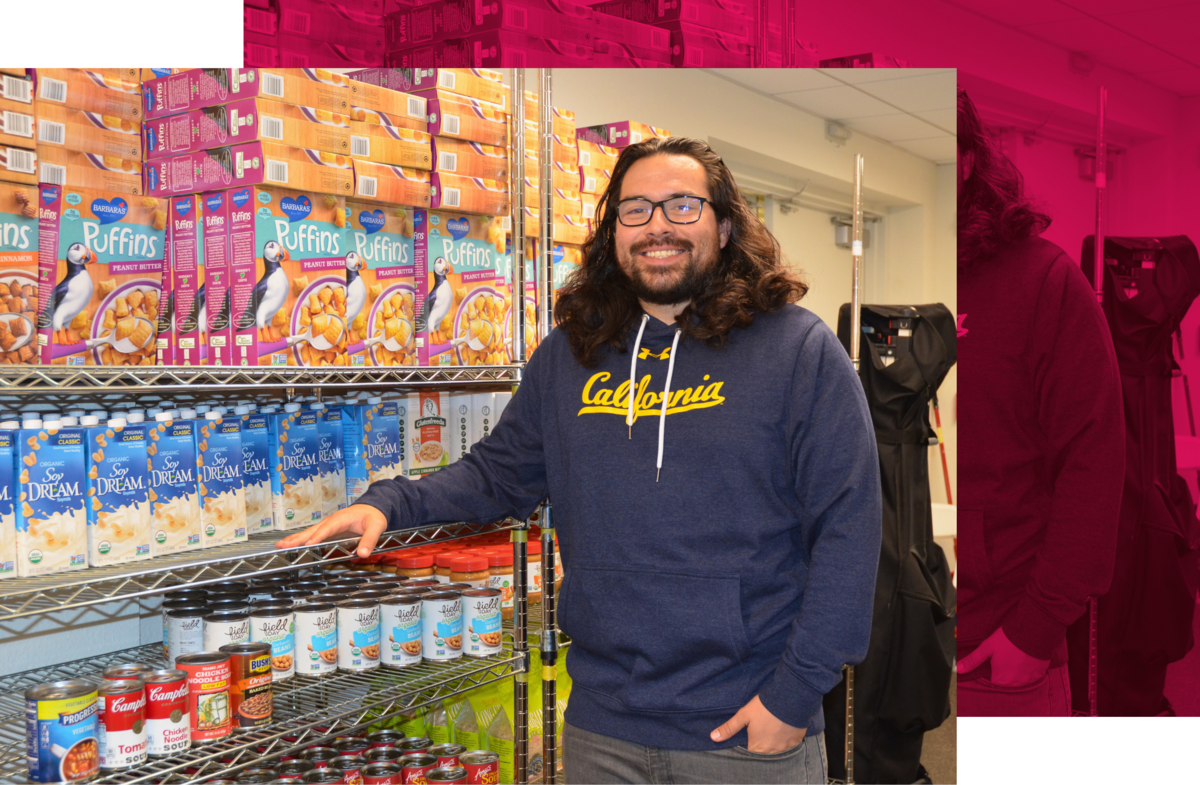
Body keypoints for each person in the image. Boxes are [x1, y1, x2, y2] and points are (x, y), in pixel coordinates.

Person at [279, 137, 882, 784]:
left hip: (745, 727)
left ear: (725, 224)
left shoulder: (798, 350)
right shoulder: (572, 354)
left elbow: (849, 528)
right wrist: (388, 501)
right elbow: (495, 474)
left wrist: (794, 695)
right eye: (636, 209)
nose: (657, 225)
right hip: (603, 728)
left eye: (682, 206)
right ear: (612, 231)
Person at [955, 86, 1125, 715]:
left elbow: (1095, 462)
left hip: (995, 645)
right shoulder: (880, 274)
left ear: (969, 162)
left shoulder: (1043, 280)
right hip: (884, 640)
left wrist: (1035, 628)